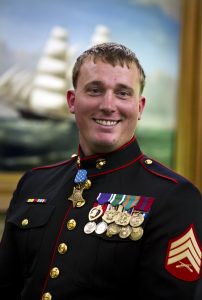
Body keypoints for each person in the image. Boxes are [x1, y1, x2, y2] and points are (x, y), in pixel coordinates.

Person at [0, 42, 201, 300]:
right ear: (72, 101)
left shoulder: (175, 198)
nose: (108, 104)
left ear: (139, 107)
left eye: (123, 93)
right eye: (95, 90)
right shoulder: (34, 183)